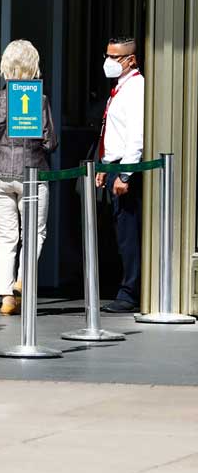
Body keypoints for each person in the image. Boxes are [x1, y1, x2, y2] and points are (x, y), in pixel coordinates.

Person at [0, 40, 57, 315]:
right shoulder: (40, 100)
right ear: (33, 66)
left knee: (5, 235)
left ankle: (6, 295)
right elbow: (51, 143)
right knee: (34, 233)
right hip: (33, 172)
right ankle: (23, 281)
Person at [95, 36, 144, 313]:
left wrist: (124, 176)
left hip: (126, 168)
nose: (109, 62)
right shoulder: (119, 88)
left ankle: (130, 292)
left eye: (115, 57)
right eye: (108, 56)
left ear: (130, 60)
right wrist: (104, 166)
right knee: (118, 231)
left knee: (128, 232)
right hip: (112, 165)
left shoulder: (136, 88)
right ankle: (125, 287)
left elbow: (135, 136)